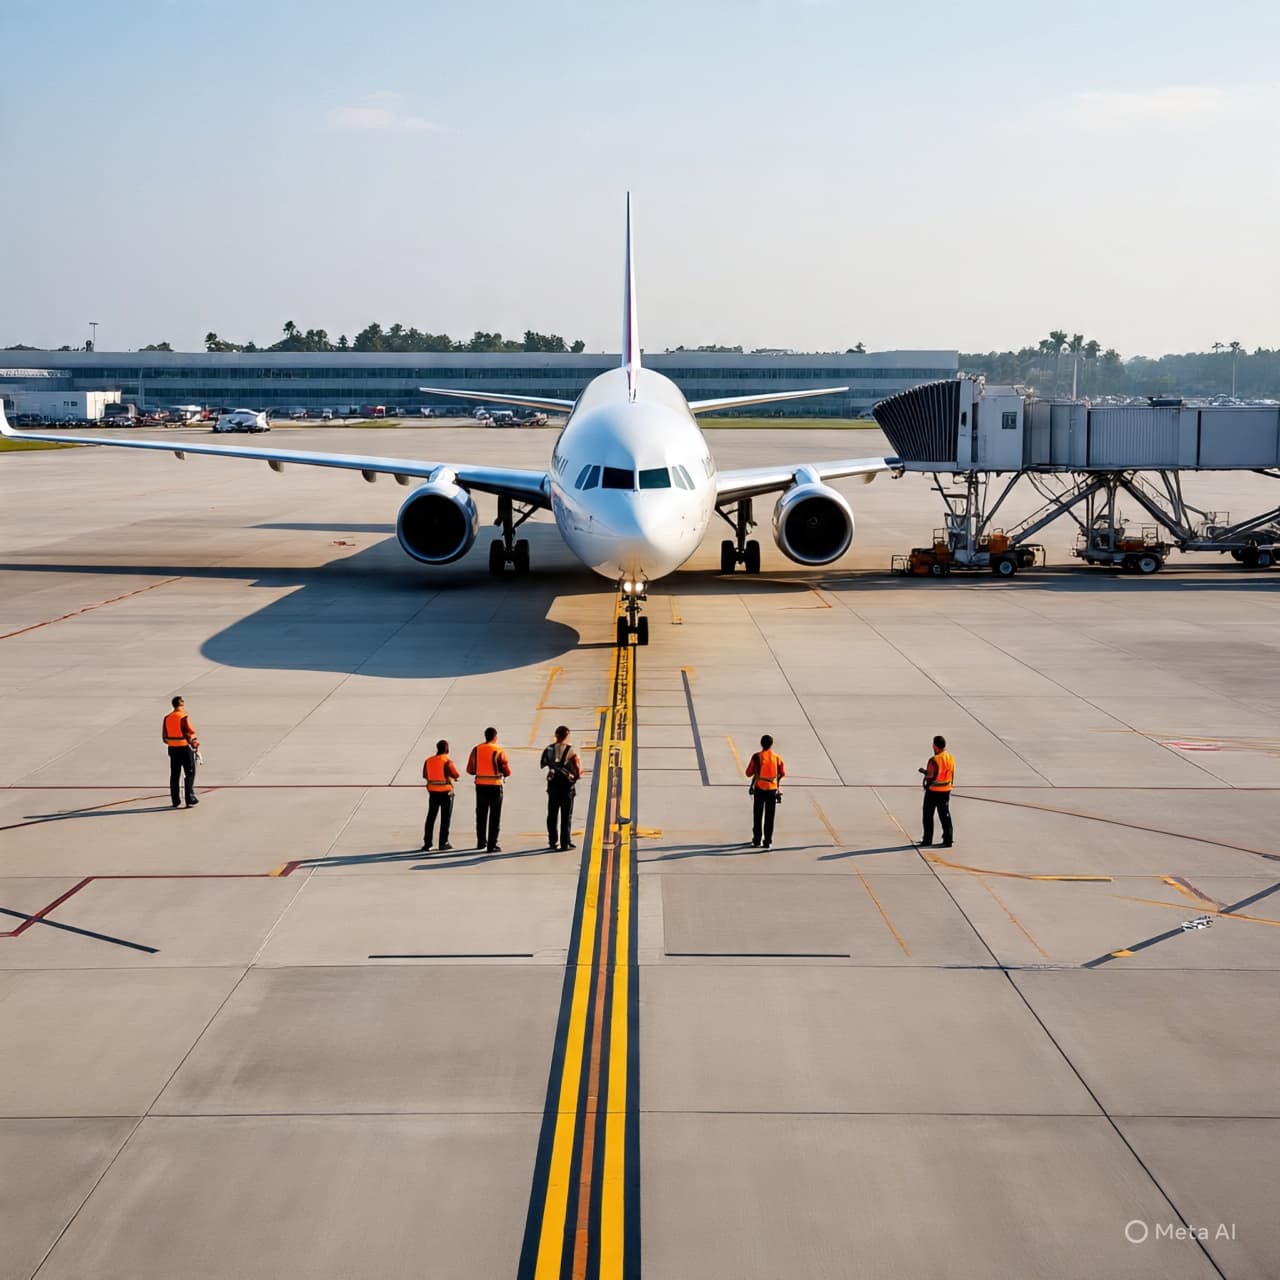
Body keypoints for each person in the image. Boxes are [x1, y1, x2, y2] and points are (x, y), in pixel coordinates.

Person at [466, 726, 511, 852]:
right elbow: (507, 770)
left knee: (481, 815)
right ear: (495, 737)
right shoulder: (499, 750)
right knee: (494, 816)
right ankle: (492, 845)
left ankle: (481, 842)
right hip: (495, 786)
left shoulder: (476, 749)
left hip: (480, 785)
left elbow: (470, 770)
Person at [540, 725, 582, 851]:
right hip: (566, 788)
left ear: (556, 735)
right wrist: (577, 775)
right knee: (566, 815)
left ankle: (553, 841)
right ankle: (565, 842)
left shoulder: (548, 749)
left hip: (553, 787)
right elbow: (577, 770)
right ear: (567, 736)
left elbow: (543, 764)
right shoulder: (571, 750)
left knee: (552, 815)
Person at [745, 734, 785, 848]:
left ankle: (757, 839)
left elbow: (748, 773)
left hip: (759, 788)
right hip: (772, 790)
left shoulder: (757, 757)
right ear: (771, 744)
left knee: (757, 814)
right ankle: (767, 841)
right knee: (770, 816)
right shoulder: (777, 757)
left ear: (761, 744)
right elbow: (782, 773)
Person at [161, 695, 200, 809]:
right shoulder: (183, 716)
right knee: (189, 772)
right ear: (181, 704)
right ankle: (189, 798)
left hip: (172, 749)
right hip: (184, 748)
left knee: (174, 774)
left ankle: (175, 800)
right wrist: (194, 742)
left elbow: (164, 738)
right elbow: (189, 732)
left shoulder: (167, 717)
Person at [422, 739, 460, 852]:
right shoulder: (447, 761)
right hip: (446, 793)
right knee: (445, 818)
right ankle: (443, 842)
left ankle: (427, 843)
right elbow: (456, 774)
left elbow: (425, 775)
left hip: (433, 792)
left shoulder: (428, 761)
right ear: (447, 749)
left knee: (431, 817)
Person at [918, 734, 955, 847]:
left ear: (935, 746)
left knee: (928, 815)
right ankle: (948, 839)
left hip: (933, 791)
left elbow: (930, 776)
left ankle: (927, 839)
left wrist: (925, 775)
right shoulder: (950, 757)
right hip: (946, 790)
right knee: (945, 814)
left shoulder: (934, 760)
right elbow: (951, 773)